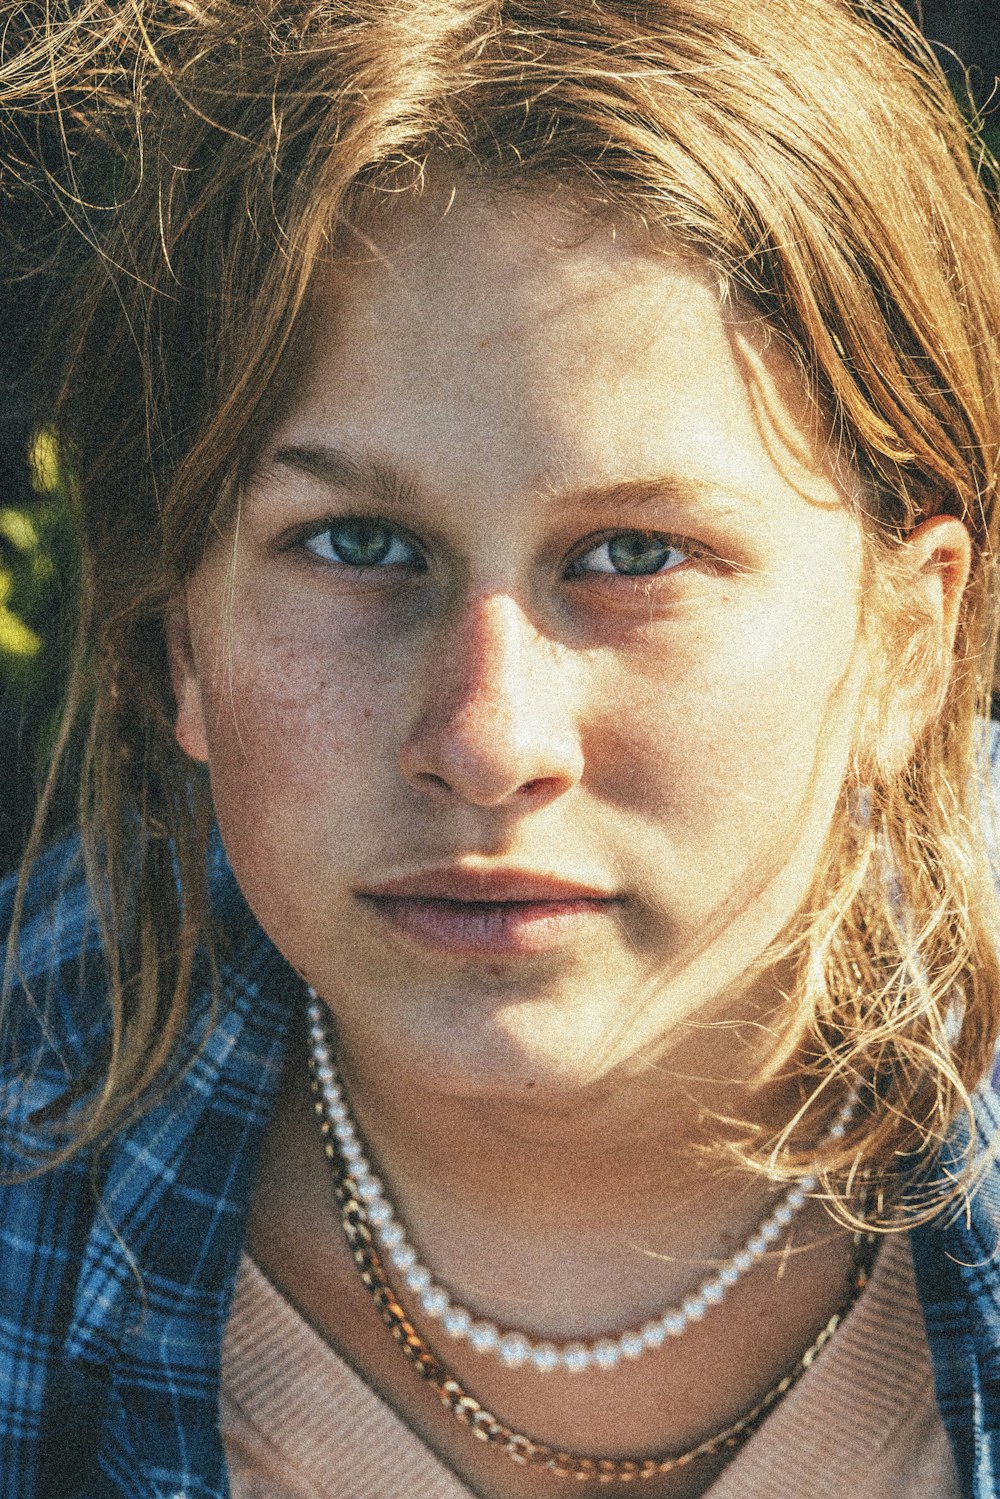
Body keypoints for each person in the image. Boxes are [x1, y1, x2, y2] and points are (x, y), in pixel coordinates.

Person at [2, 1, 1000, 1495]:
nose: (487, 743)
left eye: (635, 554)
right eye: (358, 544)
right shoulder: (33, 1153)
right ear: (178, 642)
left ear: (907, 645)